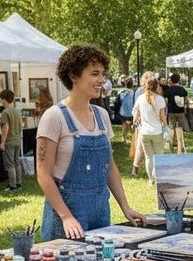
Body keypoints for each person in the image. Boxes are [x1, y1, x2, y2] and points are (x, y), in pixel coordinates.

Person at [37, 45, 146, 240]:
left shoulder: (102, 116)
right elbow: (44, 175)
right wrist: (66, 216)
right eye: (95, 74)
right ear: (73, 76)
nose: (102, 80)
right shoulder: (54, 117)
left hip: (100, 211)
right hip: (68, 217)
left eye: (103, 74)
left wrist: (125, 206)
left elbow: (110, 168)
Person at [132, 77, 167, 185]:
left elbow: (135, 117)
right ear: (157, 86)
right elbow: (163, 117)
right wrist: (166, 126)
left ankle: (150, 179)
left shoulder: (140, 99)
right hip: (157, 131)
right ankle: (156, 178)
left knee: (148, 157)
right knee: (159, 156)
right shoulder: (160, 99)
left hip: (144, 132)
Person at [131, 70, 156, 177]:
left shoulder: (138, 92)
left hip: (141, 124)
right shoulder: (152, 93)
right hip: (148, 124)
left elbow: (135, 108)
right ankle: (142, 171)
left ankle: (136, 170)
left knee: (140, 148)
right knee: (145, 149)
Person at [0, 89, 23, 192]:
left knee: (10, 164)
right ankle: (19, 184)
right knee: (16, 162)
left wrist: (2, 142)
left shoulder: (5, 112)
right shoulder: (16, 111)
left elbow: (5, 128)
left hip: (9, 141)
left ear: (4, 100)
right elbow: (21, 126)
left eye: (1, 100)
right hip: (17, 140)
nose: (1, 102)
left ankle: (12, 186)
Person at [163, 72, 189, 154]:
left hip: (171, 112)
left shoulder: (168, 90)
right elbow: (186, 100)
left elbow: (166, 102)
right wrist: (187, 107)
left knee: (171, 129)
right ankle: (181, 146)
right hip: (181, 112)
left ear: (171, 80)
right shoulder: (182, 89)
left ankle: (171, 148)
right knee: (180, 129)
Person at [118, 78, 135, 143]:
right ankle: (132, 137)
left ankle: (124, 137)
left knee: (124, 124)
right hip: (131, 112)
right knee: (131, 125)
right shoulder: (133, 92)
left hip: (123, 111)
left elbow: (118, 102)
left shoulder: (121, 92)